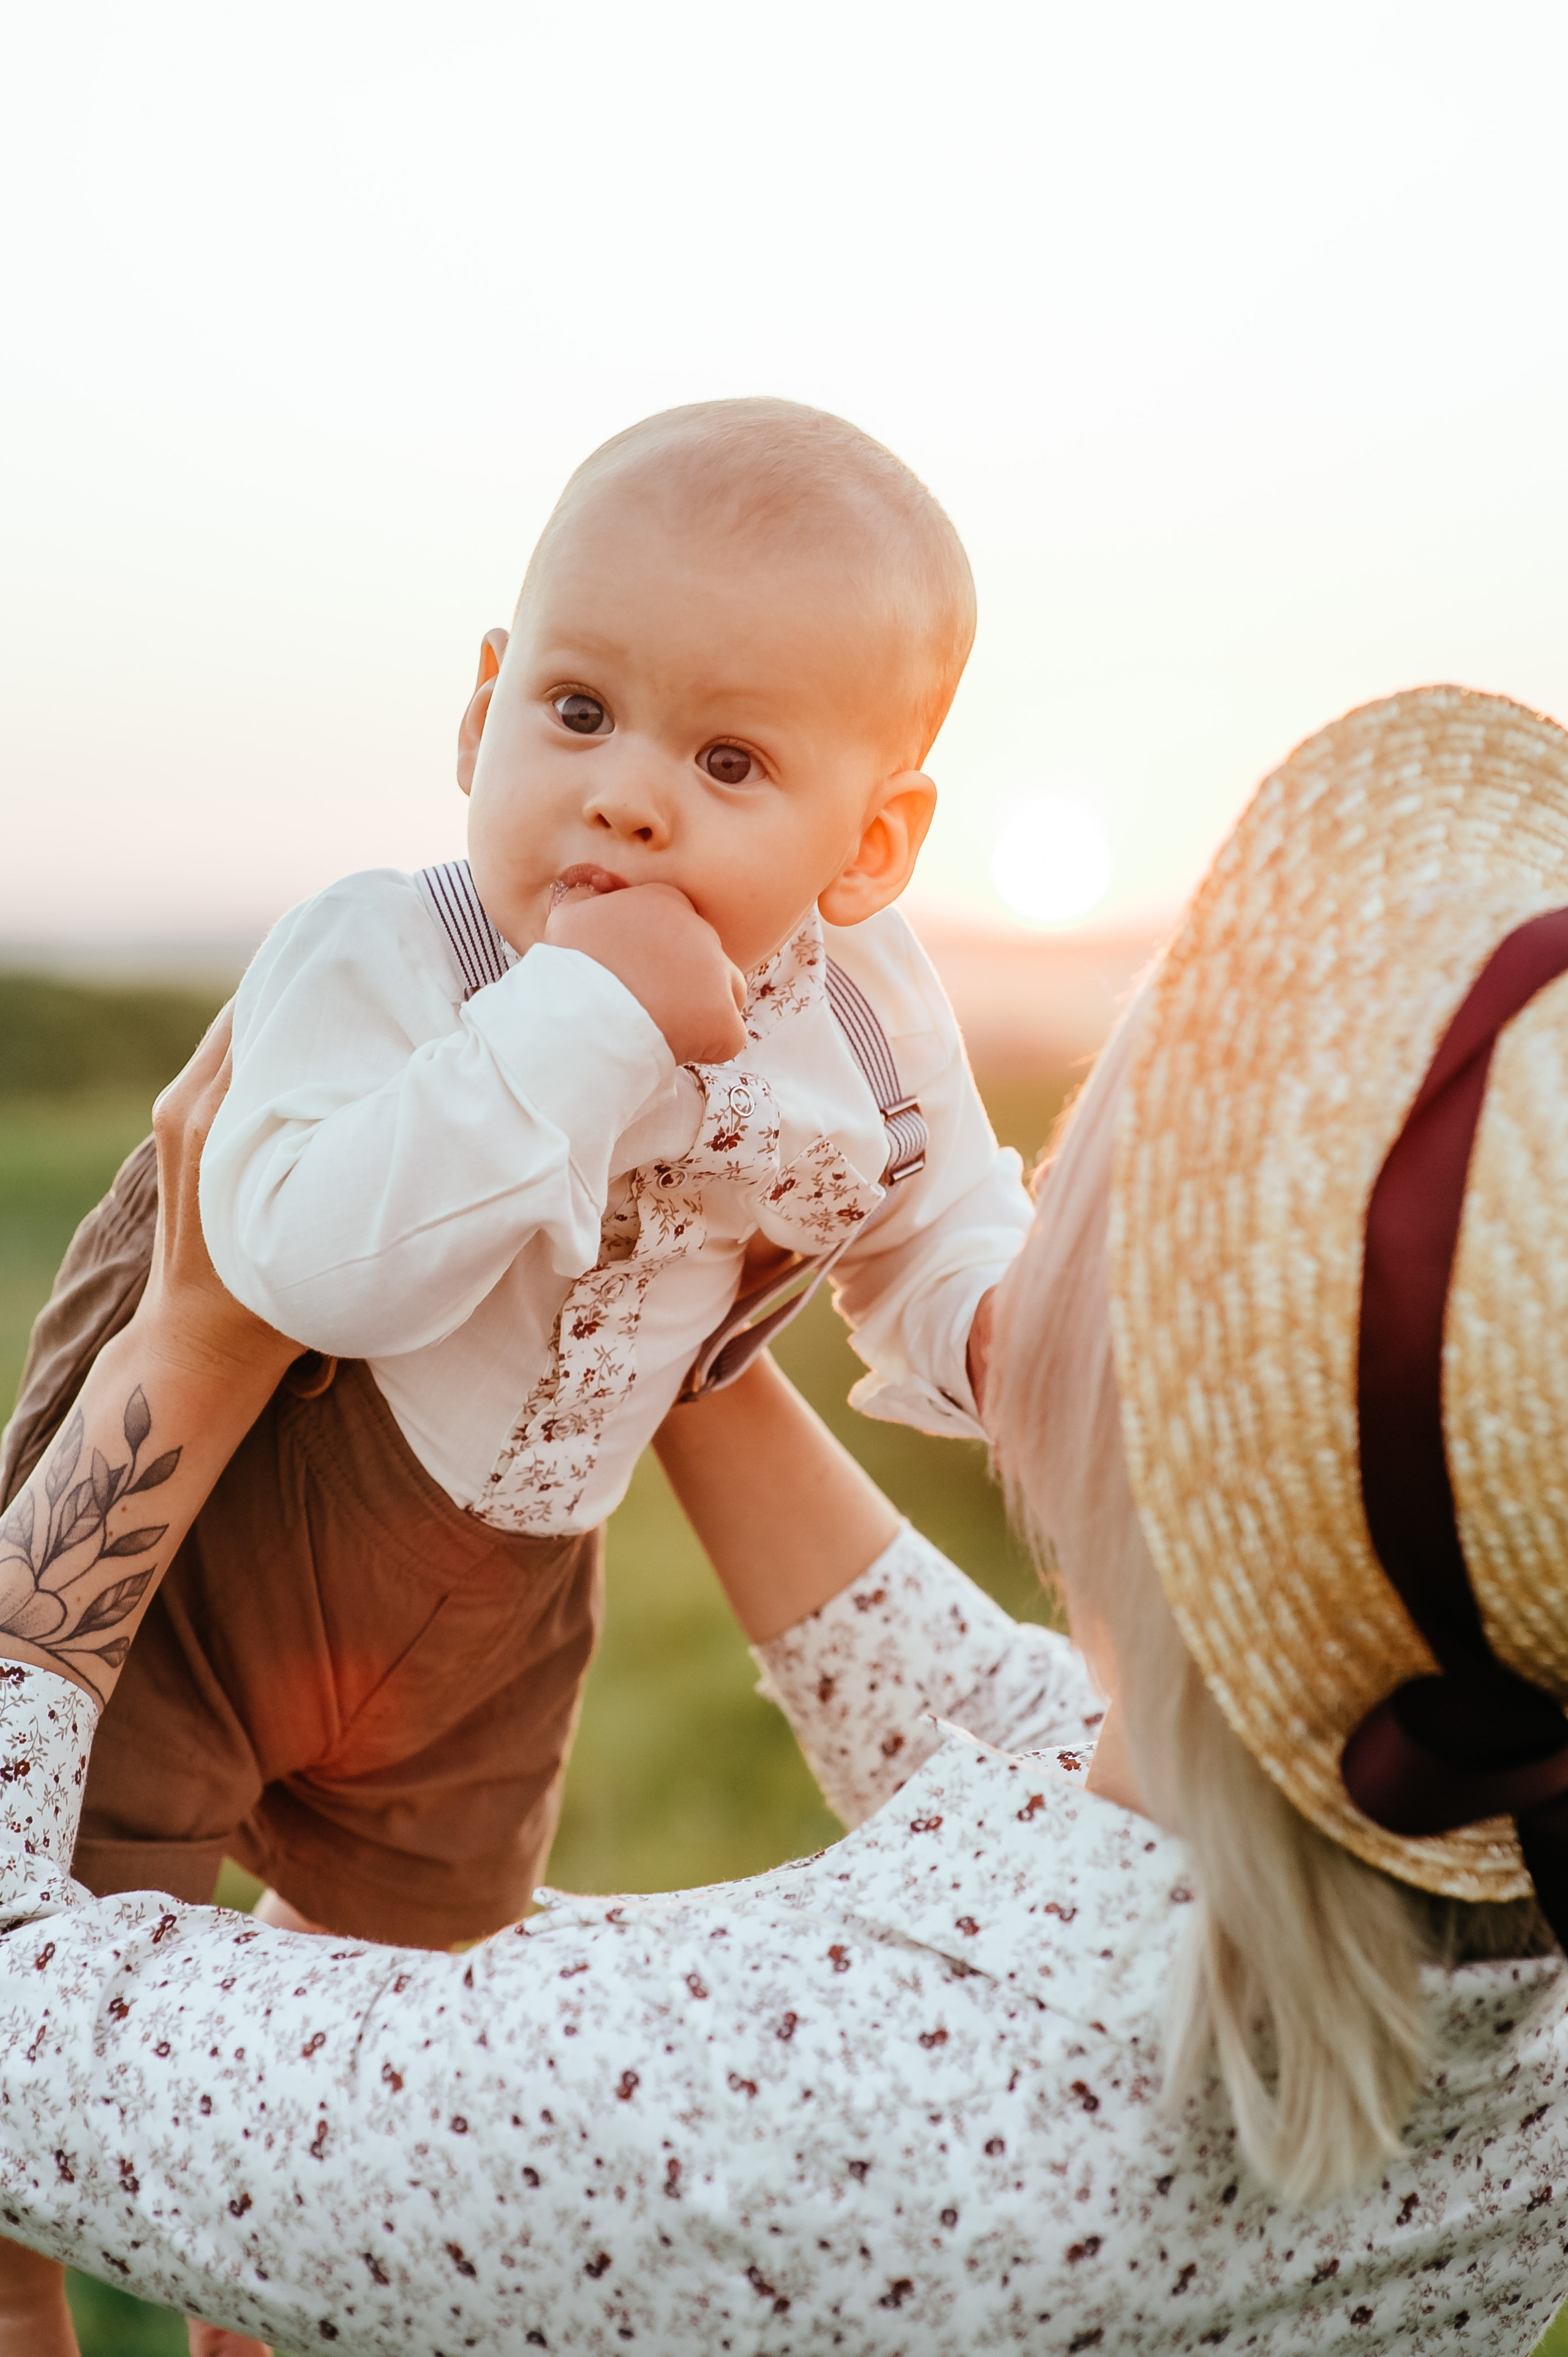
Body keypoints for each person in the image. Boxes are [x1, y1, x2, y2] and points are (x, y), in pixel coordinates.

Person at [5, 681, 1568, 2356]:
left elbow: (29, 2014)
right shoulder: (1484, 1928)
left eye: (1079, 1192)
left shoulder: (788, 2119)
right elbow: (967, 1708)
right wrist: (667, 1250)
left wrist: (191, 1341)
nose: (1026, 1207)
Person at [0, 396, 1029, 1965]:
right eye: (577, 709)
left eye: (729, 759)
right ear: (484, 714)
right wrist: (589, 1014)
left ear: (869, 845)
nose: (625, 794)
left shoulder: (869, 1027)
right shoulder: (383, 952)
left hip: (506, 1592)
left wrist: (991, 1327)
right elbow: (306, 1272)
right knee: (80, 1942)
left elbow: (933, 1225)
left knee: (416, 1961)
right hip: (224, 1518)